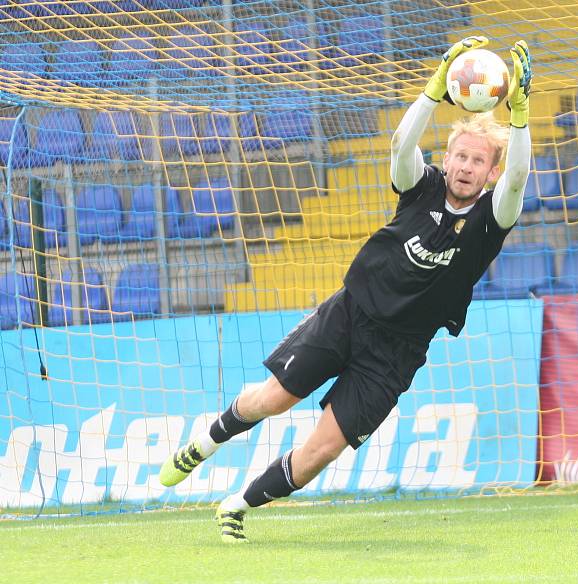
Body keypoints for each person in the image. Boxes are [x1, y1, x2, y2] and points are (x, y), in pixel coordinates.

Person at [159, 36, 532, 543]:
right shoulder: (420, 187)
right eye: (460, 156)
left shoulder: (492, 218)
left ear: (490, 171)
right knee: (273, 399)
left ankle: (236, 506)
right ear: (447, 158)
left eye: (478, 162)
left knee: (323, 450)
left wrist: (521, 116)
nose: (466, 167)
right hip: (350, 312)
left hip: (398, 351)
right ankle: (203, 443)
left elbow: (518, 181)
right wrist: (434, 86)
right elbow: (401, 146)